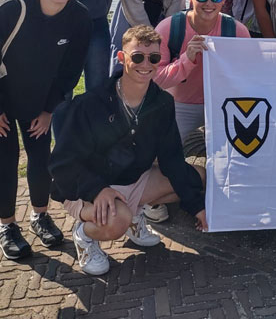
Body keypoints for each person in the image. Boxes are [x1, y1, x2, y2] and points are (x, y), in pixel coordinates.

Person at [50, 25, 207, 276]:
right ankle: (85, 235)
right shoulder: (89, 103)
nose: (146, 64)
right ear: (122, 58)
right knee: (115, 223)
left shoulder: (162, 102)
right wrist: (97, 189)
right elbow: (61, 163)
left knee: (197, 176)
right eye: (137, 57)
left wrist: (197, 206)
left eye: (153, 58)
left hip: (133, 180)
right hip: (86, 186)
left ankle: (135, 214)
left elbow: (172, 158)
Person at [0, 0, 90, 260]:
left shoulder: (78, 17)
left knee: (41, 158)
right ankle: (7, 226)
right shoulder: (10, 9)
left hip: (39, 103)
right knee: (6, 158)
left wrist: (50, 109)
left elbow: (69, 72)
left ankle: (40, 215)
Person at [154, 0, 251, 141]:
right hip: (180, 106)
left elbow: (250, 74)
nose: (209, 4)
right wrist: (186, 59)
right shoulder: (168, 28)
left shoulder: (237, 31)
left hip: (223, 106)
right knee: (175, 157)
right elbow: (156, 80)